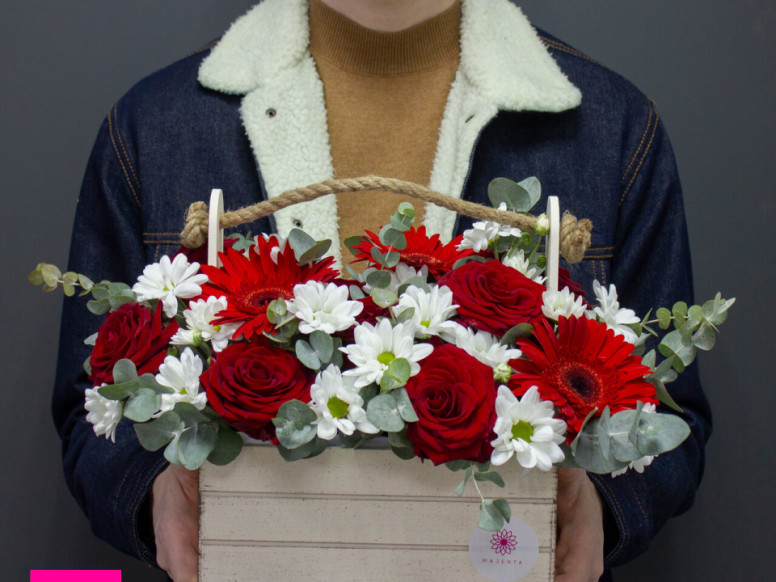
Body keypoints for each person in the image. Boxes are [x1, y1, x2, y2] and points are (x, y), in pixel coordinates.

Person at [53, 1, 711, 581]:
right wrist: (155, 493)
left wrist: (598, 506)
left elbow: (672, 416)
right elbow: (89, 407)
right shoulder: (154, 128)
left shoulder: (610, 129)